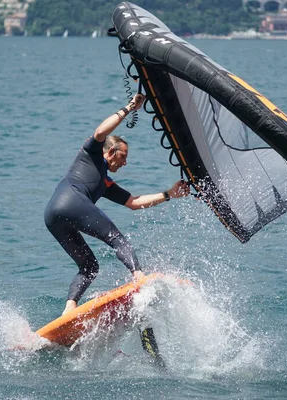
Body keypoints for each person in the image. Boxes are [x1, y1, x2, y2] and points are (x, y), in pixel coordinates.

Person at [44, 94, 190, 315]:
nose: (125, 162)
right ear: (111, 152)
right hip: (74, 200)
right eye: (123, 157)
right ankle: (139, 277)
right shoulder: (91, 154)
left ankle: (69, 307)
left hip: (52, 215)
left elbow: (134, 202)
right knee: (117, 240)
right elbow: (101, 133)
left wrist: (169, 194)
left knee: (89, 267)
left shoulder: (105, 182)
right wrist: (130, 108)